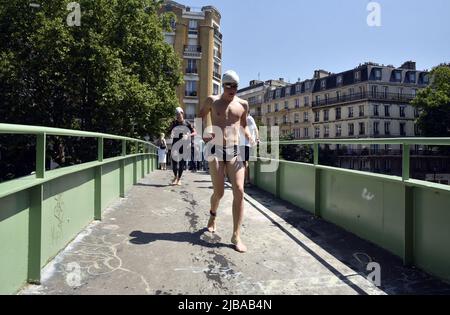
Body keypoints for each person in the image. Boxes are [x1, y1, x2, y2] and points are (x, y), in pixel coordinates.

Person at [199, 70, 255, 253]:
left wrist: (249, 136)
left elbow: (244, 125)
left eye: (235, 86)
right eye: (228, 85)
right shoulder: (212, 101)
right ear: (223, 85)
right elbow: (200, 117)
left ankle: (236, 235)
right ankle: (212, 215)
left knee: (239, 190)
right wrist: (204, 133)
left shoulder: (243, 104)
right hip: (215, 149)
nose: (232, 89)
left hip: (234, 151)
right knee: (219, 192)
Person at [169, 107, 197, 186]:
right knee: (174, 163)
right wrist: (170, 133)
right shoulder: (173, 123)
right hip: (175, 145)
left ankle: (179, 179)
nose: (178, 116)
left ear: (182, 113)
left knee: (182, 164)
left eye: (179, 114)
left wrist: (189, 135)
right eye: (176, 115)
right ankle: (175, 176)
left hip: (184, 146)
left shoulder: (187, 123)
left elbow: (195, 132)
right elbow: (168, 131)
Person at [239, 113, 259, 186]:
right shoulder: (248, 118)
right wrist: (257, 139)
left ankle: (246, 180)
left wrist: (253, 139)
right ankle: (246, 180)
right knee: (244, 162)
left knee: (244, 163)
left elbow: (250, 130)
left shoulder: (248, 118)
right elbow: (256, 129)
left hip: (244, 143)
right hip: (246, 143)